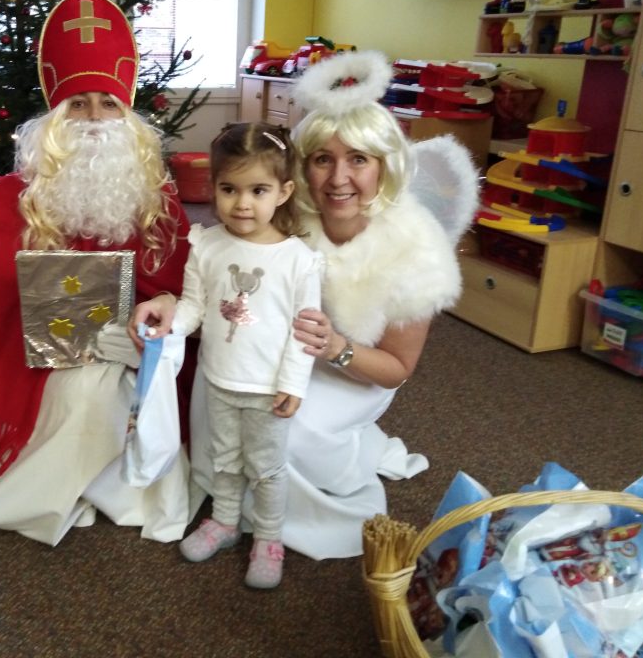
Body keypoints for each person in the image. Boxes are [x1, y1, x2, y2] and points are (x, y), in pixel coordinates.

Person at [131, 50, 479, 560]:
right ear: (302, 169)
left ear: (384, 165)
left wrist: (337, 348)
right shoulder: (282, 212)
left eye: (358, 159)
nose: (338, 178)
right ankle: (229, 510)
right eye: (323, 159)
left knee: (287, 428)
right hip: (269, 350)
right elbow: (220, 278)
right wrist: (170, 301)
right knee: (219, 388)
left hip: (354, 371)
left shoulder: (417, 251)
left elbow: (396, 370)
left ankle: (279, 524)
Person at [0, 0, 195, 546]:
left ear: (128, 118)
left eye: (108, 104)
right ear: (53, 120)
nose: (93, 118)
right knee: (79, 394)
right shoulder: (21, 194)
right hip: (34, 350)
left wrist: (165, 307)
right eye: (77, 104)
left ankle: (83, 485)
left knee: (100, 393)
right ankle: (54, 491)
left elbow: (185, 287)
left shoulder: (157, 201)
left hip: (134, 353)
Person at [134, 123, 322, 589]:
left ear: (284, 192)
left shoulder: (299, 260)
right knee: (223, 458)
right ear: (213, 187)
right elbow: (194, 307)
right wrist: (169, 325)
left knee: (266, 467)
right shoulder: (208, 245)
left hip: (267, 389)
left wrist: (293, 384)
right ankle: (224, 521)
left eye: (258, 190)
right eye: (229, 189)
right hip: (218, 379)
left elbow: (304, 332)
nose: (242, 203)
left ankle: (269, 539)